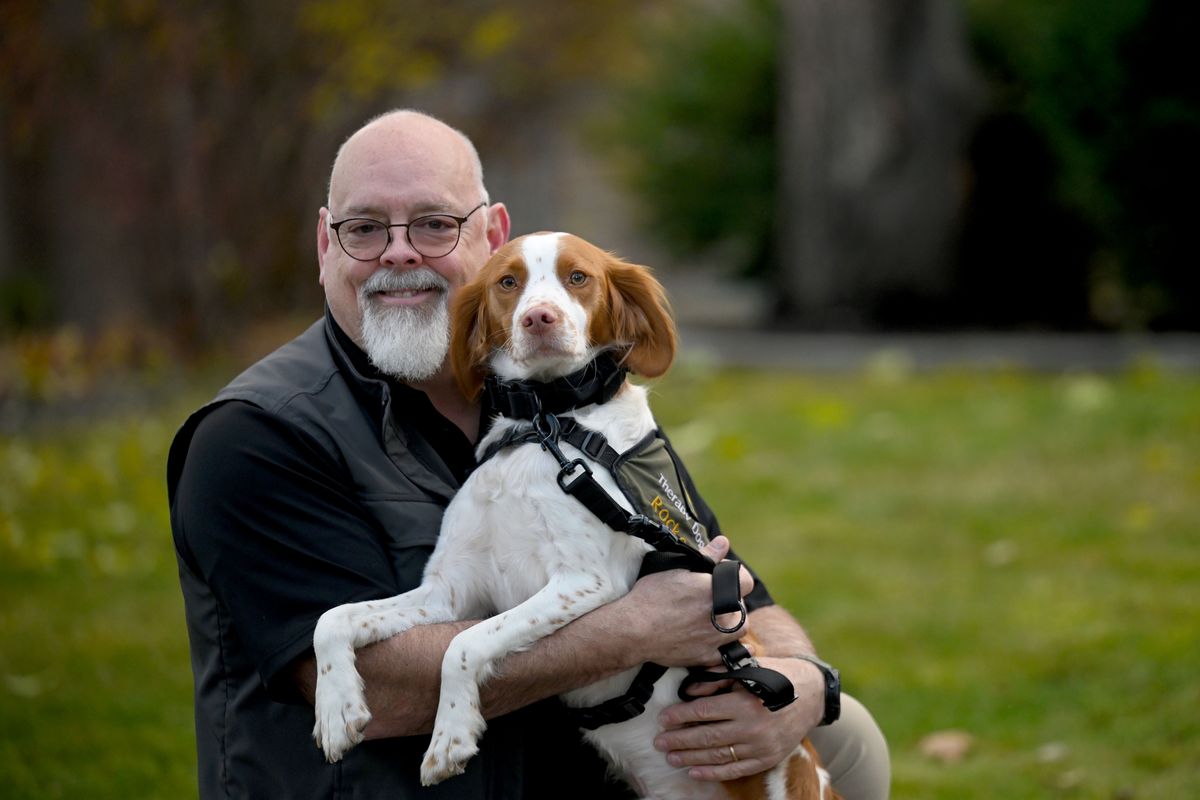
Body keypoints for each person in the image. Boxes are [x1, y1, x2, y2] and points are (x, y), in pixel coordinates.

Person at [167, 109, 889, 799]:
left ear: (494, 235)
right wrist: (632, 629)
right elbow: (382, 691)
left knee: (846, 733)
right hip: (407, 782)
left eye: (434, 224)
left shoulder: (564, 396)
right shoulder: (255, 438)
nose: (398, 252)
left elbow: (726, 584)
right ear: (326, 247)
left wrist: (800, 682)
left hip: (578, 764)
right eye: (364, 229)